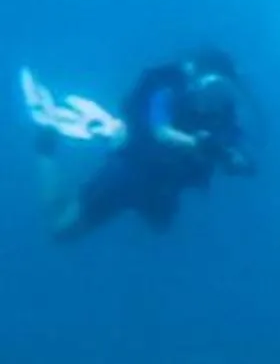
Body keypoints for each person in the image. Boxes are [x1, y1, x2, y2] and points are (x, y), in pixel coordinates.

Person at [27, 51, 257, 242]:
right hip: (130, 172)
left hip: (164, 184)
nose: (215, 96)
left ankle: (109, 131)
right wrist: (202, 144)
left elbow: (239, 151)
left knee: (159, 227)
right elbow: (161, 131)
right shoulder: (167, 89)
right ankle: (46, 143)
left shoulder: (224, 113)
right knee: (61, 230)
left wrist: (237, 160)